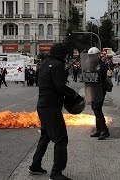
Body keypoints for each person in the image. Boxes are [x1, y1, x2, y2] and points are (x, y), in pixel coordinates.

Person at [29, 43, 81, 180]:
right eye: (65, 54)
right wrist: (74, 94)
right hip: (51, 107)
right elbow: (60, 86)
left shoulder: (44, 64)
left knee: (45, 136)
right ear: (62, 54)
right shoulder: (57, 65)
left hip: (42, 105)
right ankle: (56, 172)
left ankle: (35, 165)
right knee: (61, 140)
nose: (66, 57)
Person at [86, 47, 110, 140]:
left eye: (92, 56)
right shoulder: (90, 65)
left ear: (97, 55)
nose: (91, 58)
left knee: (97, 109)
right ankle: (99, 130)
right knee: (94, 108)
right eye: (90, 56)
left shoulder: (102, 65)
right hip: (93, 89)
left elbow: (101, 75)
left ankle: (105, 130)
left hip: (100, 89)